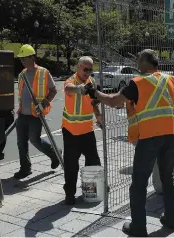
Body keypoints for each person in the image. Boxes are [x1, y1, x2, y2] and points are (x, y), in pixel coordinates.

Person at [85, 49, 174, 237]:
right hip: (170, 133)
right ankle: (172, 219)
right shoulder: (168, 79)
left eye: (138, 59)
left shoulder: (137, 82)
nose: (137, 63)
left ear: (146, 62)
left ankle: (138, 227)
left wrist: (95, 93)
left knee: (138, 183)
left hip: (149, 137)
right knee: (167, 177)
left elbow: (114, 101)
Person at [14, 44, 60, 179]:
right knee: (20, 142)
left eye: (24, 58)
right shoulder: (22, 74)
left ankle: (55, 154)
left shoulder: (43, 72)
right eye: (20, 59)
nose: (22, 61)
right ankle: (25, 168)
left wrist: (44, 103)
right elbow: (22, 94)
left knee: (34, 139)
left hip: (36, 114)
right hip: (23, 113)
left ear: (32, 57)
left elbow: (53, 90)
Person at [62, 56, 102, 205]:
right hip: (71, 131)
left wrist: (98, 117)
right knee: (71, 165)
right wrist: (81, 89)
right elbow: (68, 89)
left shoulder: (91, 82)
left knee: (93, 162)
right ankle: (70, 194)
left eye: (91, 70)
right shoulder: (71, 81)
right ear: (78, 67)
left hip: (87, 131)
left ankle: (91, 188)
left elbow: (93, 103)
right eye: (85, 69)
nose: (88, 72)